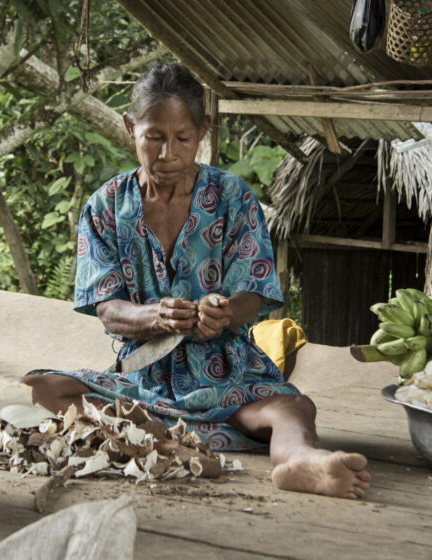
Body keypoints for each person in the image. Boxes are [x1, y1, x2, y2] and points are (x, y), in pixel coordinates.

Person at [21, 63, 370, 499]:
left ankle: (299, 461)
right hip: (143, 380)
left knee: (292, 407)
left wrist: (224, 315)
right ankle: (164, 436)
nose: (168, 154)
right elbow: (108, 310)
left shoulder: (232, 197)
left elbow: (255, 294)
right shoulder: (105, 207)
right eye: (154, 137)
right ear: (130, 127)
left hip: (228, 376)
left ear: (203, 130)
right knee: (37, 389)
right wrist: (156, 316)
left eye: (182, 139)